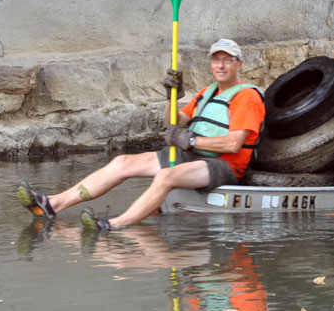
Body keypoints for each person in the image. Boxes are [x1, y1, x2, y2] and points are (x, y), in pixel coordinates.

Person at [16, 38, 265, 231]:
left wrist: (189, 140)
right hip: (194, 155)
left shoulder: (247, 97)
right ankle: (52, 204)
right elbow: (173, 121)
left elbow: (234, 143)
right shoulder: (207, 92)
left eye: (228, 60)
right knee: (122, 162)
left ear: (239, 63)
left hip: (225, 166)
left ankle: (114, 225)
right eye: (216, 60)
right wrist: (172, 97)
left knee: (166, 176)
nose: (220, 65)